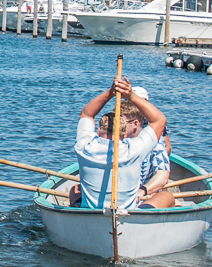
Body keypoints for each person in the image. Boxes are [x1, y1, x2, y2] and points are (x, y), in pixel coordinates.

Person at [67, 74, 167, 210]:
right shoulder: (135, 149)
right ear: (125, 133)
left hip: (92, 213)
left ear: (97, 131)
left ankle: (79, 208)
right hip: (128, 213)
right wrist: (131, 96)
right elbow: (159, 120)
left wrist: (110, 93)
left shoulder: (84, 146)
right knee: (167, 196)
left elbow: (86, 114)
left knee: (75, 190)